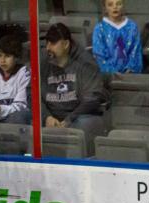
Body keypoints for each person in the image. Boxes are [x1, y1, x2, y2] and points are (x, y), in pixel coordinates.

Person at [41, 23, 108, 156]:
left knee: (84, 124)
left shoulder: (86, 64)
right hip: (52, 118)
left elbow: (92, 100)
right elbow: (32, 94)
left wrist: (68, 120)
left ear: (66, 44)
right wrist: (46, 117)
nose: (48, 47)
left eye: (53, 43)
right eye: (47, 43)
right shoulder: (43, 64)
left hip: (79, 117)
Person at [91, 0, 142, 74]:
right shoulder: (100, 28)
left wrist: (130, 69)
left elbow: (135, 51)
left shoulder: (132, 27)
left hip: (129, 75)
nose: (115, 7)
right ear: (105, 8)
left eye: (118, 4)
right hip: (107, 76)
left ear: (123, 5)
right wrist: (112, 72)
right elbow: (99, 56)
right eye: (110, 4)